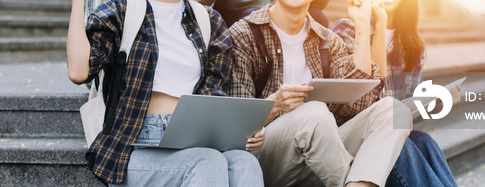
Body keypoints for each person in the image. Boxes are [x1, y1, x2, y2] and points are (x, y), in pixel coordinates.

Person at [66, 0, 266, 186]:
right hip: (133, 146)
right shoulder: (121, 10)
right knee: (207, 161)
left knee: (245, 163)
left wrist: (240, 131)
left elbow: (214, 95)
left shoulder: (208, 20)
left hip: (192, 138)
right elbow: (78, 72)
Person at [227, 0, 412, 186]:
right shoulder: (244, 33)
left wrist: (362, 23)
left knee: (397, 112)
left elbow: (359, 104)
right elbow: (234, 131)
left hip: (319, 159)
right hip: (265, 158)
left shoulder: (328, 41)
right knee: (313, 113)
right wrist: (274, 105)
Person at [332, 0, 460, 186]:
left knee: (424, 141)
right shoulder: (349, 28)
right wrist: (380, 24)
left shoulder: (412, 46)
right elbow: (362, 101)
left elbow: (407, 109)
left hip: (391, 129)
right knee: (400, 144)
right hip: (355, 131)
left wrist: (438, 99)